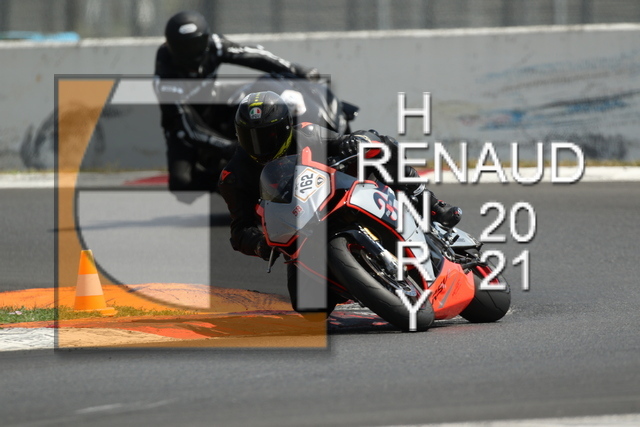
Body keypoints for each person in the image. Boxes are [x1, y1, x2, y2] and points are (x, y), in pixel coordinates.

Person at [218, 91, 462, 315]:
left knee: (382, 144)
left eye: (268, 135)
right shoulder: (233, 177)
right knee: (309, 307)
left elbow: (349, 140)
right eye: (250, 137)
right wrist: (259, 244)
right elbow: (240, 230)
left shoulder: (307, 133)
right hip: (300, 232)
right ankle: (355, 284)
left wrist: (355, 141)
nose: (259, 144)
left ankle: (429, 202)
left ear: (285, 127)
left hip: (338, 196)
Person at [154, 10, 319, 203]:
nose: (191, 52)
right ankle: (235, 186)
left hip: (213, 106)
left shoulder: (214, 44)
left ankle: (296, 158)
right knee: (182, 184)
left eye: (197, 44)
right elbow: (189, 127)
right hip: (182, 126)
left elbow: (253, 55)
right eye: (184, 48)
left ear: (206, 40)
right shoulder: (164, 78)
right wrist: (230, 148)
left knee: (256, 106)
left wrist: (294, 69)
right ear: (171, 46)